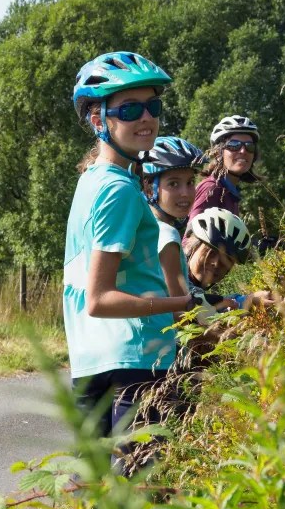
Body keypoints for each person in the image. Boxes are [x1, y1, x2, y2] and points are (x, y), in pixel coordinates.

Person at [64, 51, 197, 441]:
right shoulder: (119, 189)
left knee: (93, 478)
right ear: (98, 120)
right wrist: (181, 304)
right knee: (142, 478)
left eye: (153, 107)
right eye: (130, 109)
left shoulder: (91, 181)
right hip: (137, 360)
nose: (146, 118)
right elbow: (100, 299)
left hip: (90, 360)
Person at [139, 136, 207, 306]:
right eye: (174, 184)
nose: (185, 192)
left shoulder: (143, 226)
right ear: (149, 188)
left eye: (190, 182)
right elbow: (181, 311)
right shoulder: (166, 235)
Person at [184, 207, 272, 318]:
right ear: (191, 247)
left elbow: (208, 302)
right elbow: (197, 303)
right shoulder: (169, 274)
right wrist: (245, 301)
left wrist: (248, 300)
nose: (216, 263)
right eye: (210, 252)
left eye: (226, 259)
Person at [187, 115, 261, 220]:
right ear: (218, 153)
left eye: (249, 146)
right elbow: (192, 230)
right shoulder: (212, 188)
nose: (243, 151)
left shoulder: (229, 191)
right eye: (234, 145)